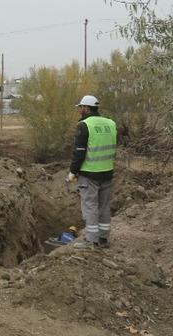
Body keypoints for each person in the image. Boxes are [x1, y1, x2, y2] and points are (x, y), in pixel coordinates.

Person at [67, 95, 117, 249]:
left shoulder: (84, 125)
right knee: (104, 206)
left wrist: (72, 171)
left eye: (81, 107)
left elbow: (79, 152)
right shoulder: (111, 123)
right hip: (107, 172)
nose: (79, 110)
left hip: (89, 174)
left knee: (90, 207)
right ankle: (103, 239)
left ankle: (91, 241)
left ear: (87, 108)